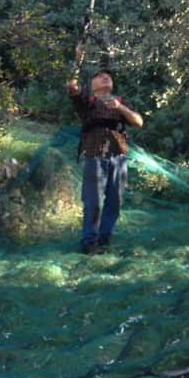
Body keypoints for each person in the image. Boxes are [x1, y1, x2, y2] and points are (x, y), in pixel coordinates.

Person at [67, 64, 143, 254]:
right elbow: (71, 86)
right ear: (92, 85)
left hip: (119, 157)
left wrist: (120, 107)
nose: (105, 77)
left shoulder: (121, 102)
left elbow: (138, 121)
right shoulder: (88, 101)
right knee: (93, 201)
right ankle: (89, 243)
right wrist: (78, 61)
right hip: (94, 155)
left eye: (107, 75)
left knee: (115, 201)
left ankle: (105, 240)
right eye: (99, 76)